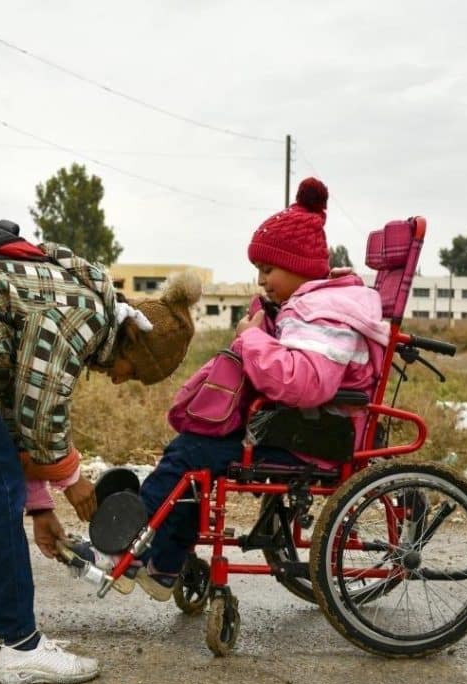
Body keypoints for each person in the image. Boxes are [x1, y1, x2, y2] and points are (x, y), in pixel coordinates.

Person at [0, 238, 201, 684]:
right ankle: (21, 647)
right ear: (130, 339)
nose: (117, 378)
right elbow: (41, 409)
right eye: (130, 370)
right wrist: (72, 480)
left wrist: (39, 504)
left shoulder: (85, 305)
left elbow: (20, 402)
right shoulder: (85, 317)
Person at [62, 177, 391, 601]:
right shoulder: (308, 310)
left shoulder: (324, 315)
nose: (261, 280)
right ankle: (162, 562)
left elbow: (305, 383)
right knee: (190, 451)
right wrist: (266, 325)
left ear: (301, 267)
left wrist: (253, 339)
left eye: (268, 270)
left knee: (191, 454)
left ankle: (128, 554)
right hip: (301, 429)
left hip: (313, 438)